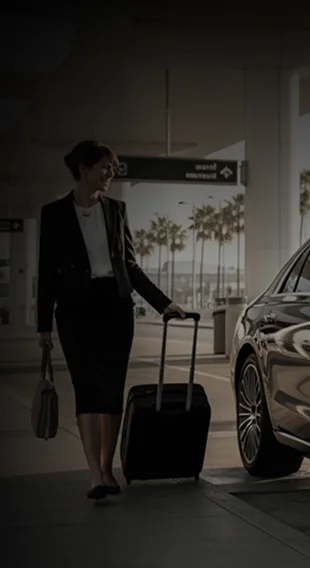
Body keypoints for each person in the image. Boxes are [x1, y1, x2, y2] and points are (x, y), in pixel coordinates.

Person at [37, 140, 186, 500]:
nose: (111, 173)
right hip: (74, 311)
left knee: (111, 389)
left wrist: (163, 303)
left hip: (115, 307)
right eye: (105, 166)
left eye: (114, 167)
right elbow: (47, 273)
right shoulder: (54, 214)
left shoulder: (117, 210)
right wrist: (43, 326)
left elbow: (130, 266)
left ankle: (107, 469)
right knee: (87, 389)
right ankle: (93, 473)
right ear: (84, 169)